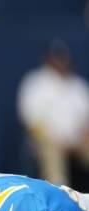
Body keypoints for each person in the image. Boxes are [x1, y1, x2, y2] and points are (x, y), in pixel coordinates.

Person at [18, 39, 89, 192]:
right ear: (49, 58)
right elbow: (32, 122)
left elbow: (85, 121)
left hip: (77, 141)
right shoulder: (36, 82)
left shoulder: (78, 85)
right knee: (51, 153)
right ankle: (60, 196)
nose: (60, 62)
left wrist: (79, 139)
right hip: (48, 140)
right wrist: (58, 140)